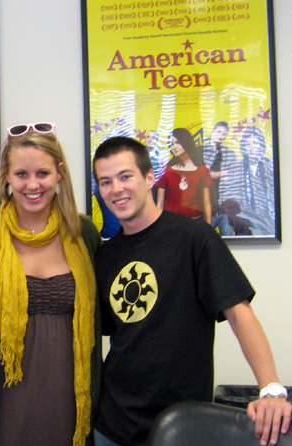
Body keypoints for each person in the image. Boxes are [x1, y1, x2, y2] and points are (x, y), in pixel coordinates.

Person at [92, 136, 291, 446]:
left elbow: (239, 314)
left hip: (185, 426)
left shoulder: (193, 237)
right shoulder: (104, 256)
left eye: (125, 176)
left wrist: (271, 388)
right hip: (112, 427)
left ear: (148, 179)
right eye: (105, 182)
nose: (116, 189)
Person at [0, 123, 102, 446]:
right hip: (5, 404)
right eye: (22, 175)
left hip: (72, 400)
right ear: (6, 178)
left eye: (42, 173)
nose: (32, 185)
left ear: (59, 174)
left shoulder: (83, 234)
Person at [156, 128, 213, 224]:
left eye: (177, 142)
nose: (174, 147)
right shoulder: (166, 171)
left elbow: (207, 204)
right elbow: (159, 205)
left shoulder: (202, 171)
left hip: (195, 224)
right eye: (171, 144)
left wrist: (209, 229)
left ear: (186, 142)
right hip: (172, 225)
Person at [202, 121, 242, 235]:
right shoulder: (202, 150)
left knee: (229, 241)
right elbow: (204, 175)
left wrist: (217, 174)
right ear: (213, 132)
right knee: (205, 241)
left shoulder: (229, 153)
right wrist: (224, 173)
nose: (221, 136)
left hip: (224, 206)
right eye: (219, 132)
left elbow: (235, 174)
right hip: (206, 205)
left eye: (224, 134)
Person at [236, 126, 276, 236]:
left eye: (255, 143)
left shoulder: (270, 166)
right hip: (246, 222)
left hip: (270, 222)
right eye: (247, 144)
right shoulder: (238, 168)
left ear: (261, 145)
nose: (251, 147)